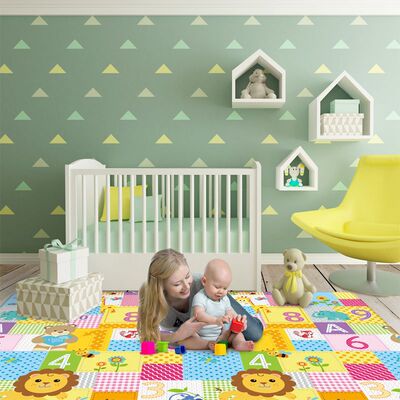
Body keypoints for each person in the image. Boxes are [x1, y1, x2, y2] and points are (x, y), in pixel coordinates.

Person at [138, 248, 263, 349]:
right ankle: (211, 344)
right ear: (162, 286)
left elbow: (230, 315)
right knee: (184, 341)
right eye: (177, 284)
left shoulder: (203, 285)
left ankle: (255, 318)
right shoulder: (151, 297)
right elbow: (147, 336)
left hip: (216, 303)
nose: (186, 286)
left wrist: (237, 321)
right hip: (198, 333)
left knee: (254, 333)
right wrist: (177, 335)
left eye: (187, 276)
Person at [192, 259, 255, 351]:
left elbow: (230, 312)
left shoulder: (224, 299)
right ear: (204, 281)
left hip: (221, 335)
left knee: (237, 334)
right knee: (189, 337)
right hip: (200, 335)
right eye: (217, 287)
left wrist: (238, 321)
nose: (221, 291)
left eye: (225, 288)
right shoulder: (200, 297)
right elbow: (198, 314)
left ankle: (240, 344)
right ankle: (207, 345)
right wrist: (216, 320)